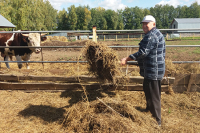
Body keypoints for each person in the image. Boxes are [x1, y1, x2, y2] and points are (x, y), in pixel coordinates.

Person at [121, 15, 166, 126]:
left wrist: (127, 58)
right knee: (149, 90)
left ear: (153, 24)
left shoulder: (151, 36)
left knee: (154, 95)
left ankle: (157, 121)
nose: (144, 25)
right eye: (143, 23)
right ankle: (149, 110)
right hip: (154, 69)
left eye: (147, 23)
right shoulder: (158, 33)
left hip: (153, 70)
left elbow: (143, 52)